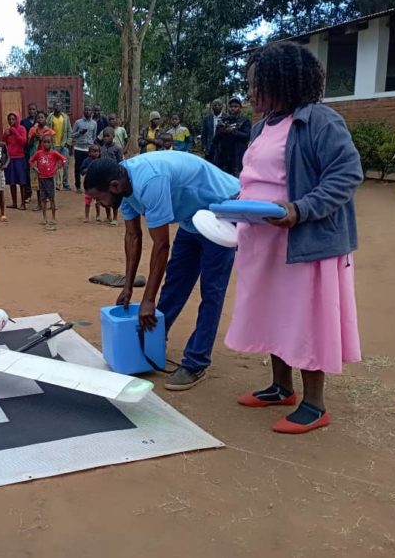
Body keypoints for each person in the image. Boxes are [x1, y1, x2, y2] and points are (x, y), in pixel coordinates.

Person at [225, 41, 363, 434]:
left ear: (283, 83)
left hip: (305, 241)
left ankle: (315, 404)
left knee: (305, 317)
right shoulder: (261, 125)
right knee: (273, 311)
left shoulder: (319, 120)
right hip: (263, 241)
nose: (252, 93)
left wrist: (300, 209)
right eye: (251, 84)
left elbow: (346, 175)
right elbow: (258, 178)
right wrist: (235, 202)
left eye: (258, 84)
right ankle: (281, 386)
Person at [84, 151, 240, 391]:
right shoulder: (121, 186)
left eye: (99, 198)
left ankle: (196, 362)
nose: (99, 203)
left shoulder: (149, 183)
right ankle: (154, 341)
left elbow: (161, 245)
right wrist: (127, 287)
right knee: (175, 282)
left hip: (222, 209)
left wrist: (148, 299)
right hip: (193, 216)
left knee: (212, 291)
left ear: (113, 186)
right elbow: (133, 236)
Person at [29, 135, 65, 231]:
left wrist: (57, 168)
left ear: (51, 143)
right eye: (44, 142)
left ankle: (53, 217)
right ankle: (44, 218)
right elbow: (31, 161)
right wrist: (35, 168)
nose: (46, 144)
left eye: (48, 142)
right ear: (41, 143)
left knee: (52, 199)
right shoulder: (39, 153)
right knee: (43, 199)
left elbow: (63, 159)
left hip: (50, 179)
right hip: (41, 179)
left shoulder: (54, 153)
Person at [211, 97, 251, 177]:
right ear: (228, 107)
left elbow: (247, 137)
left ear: (240, 108)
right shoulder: (223, 120)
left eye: (235, 106)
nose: (233, 108)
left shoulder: (245, 120)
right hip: (223, 158)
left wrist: (232, 131)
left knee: (237, 182)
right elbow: (215, 140)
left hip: (238, 158)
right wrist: (220, 132)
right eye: (231, 106)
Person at [27, 111, 54, 211]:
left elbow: (53, 145)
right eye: (38, 118)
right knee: (38, 182)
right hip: (36, 158)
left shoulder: (50, 131)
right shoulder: (33, 130)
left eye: (42, 117)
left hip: (47, 159)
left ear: (45, 119)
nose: (40, 119)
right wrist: (34, 136)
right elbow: (28, 144)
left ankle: (52, 203)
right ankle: (40, 203)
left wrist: (42, 138)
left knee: (49, 181)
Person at [2, 112, 28, 210]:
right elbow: (4, 141)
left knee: (22, 182)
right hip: (10, 158)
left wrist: (14, 132)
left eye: (13, 119)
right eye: (9, 119)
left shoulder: (21, 129)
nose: (11, 121)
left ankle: (23, 203)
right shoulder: (8, 130)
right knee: (11, 182)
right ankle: (14, 203)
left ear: (17, 119)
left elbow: (23, 142)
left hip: (20, 158)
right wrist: (6, 134)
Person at [71, 105, 98, 193]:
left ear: (92, 112)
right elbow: (72, 135)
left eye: (89, 110)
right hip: (79, 148)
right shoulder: (78, 122)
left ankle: (89, 186)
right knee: (78, 167)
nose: (87, 111)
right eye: (86, 110)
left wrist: (92, 146)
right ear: (83, 111)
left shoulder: (94, 123)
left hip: (89, 149)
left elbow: (94, 136)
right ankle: (78, 186)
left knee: (90, 167)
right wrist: (80, 132)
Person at [46, 101, 72, 189]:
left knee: (65, 164)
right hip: (53, 145)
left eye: (59, 106)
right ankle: (53, 184)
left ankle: (65, 183)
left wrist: (68, 143)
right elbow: (46, 130)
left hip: (63, 145)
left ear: (62, 108)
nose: (57, 108)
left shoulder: (65, 117)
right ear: (53, 107)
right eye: (55, 106)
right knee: (52, 165)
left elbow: (69, 131)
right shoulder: (50, 117)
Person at [81, 144, 103, 223]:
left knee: (98, 202)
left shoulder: (100, 161)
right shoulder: (86, 161)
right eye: (94, 151)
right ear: (89, 153)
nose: (96, 153)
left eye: (97, 151)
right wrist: (89, 169)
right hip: (89, 185)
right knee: (87, 202)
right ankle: (86, 217)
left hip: (97, 185)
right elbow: (82, 172)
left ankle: (98, 216)